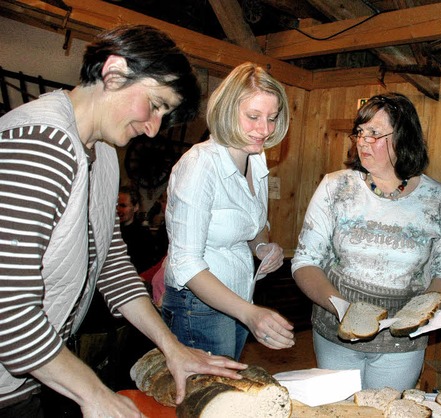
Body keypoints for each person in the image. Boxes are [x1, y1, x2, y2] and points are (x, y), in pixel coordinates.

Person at [0, 25, 246, 417]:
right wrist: (95, 395)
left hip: (34, 371)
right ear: (113, 72)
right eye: (154, 104)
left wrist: (173, 348)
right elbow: (8, 307)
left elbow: (112, 267)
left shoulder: (103, 153)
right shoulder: (42, 143)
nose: (152, 129)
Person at [291, 92, 441, 391]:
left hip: (402, 342)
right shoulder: (335, 187)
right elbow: (305, 261)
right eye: (360, 132)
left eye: (375, 133)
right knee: (339, 411)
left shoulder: (437, 200)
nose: (363, 141)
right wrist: (341, 307)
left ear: (404, 137)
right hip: (336, 331)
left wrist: (421, 309)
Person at [162, 62, 295, 362]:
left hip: (237, 298)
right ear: (226, 110)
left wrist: (263, 245)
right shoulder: (200, 165)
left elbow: (253, 224)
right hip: (197, 305)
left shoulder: (256, 159)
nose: (264, 129)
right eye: (253, 117)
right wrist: (249, 313)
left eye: (272, 119)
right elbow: (185, 263)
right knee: (208, 399)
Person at [117, 184, 157, 273]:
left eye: (123, 206)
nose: (118, 209)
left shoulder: (143, 236)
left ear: (135, 207)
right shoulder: (110, 232)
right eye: (116, 205)